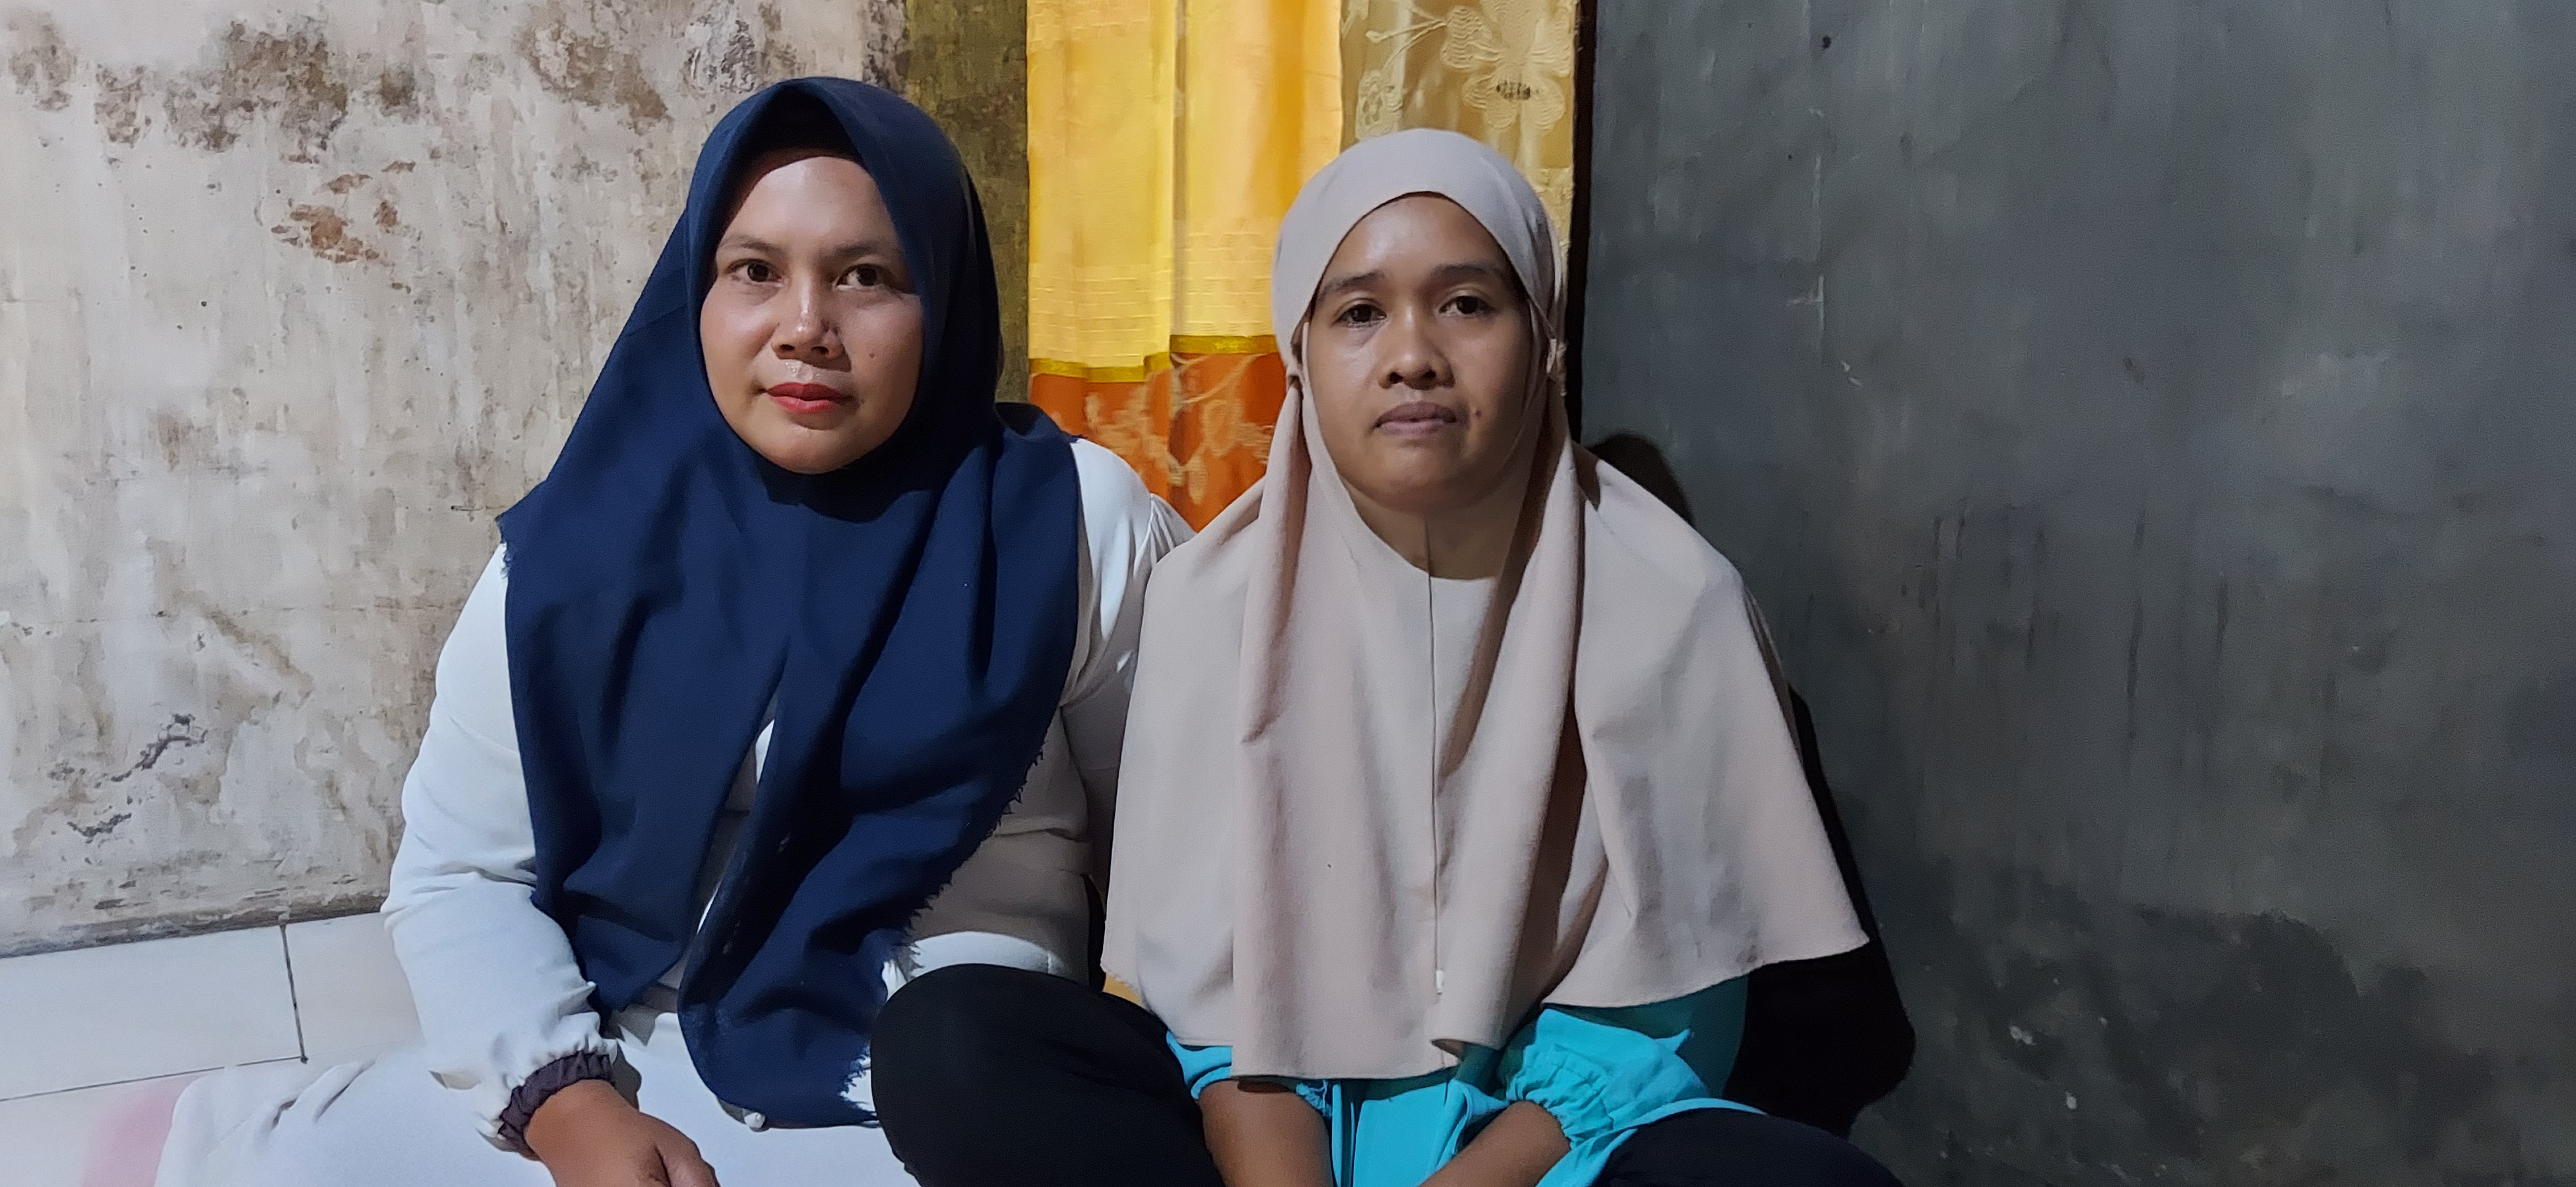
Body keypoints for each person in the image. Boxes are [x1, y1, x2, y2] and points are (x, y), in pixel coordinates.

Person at [151, 77, 1189, 1187]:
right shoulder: (575, 556)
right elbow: (460, 873)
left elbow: (1193, 851)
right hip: (631, 1054)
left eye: (866, 277)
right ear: (697, 290)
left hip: (940, 1082)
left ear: (942, 295)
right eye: (756, 272)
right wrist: (568, 1105)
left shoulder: (1070, 525)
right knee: (274, 1162)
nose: (805, 329)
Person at [868, 130, 1904, 1187]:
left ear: (1541, 334)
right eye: (1359, 313)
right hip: (1270, 1144)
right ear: (1300, 354)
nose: (1413, 355)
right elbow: (1220, 1015)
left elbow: (1663, 1017)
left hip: (1553, 1154)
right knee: (950, 1042)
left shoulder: (1671, 601)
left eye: (1468, 304)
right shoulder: (1211, 607)